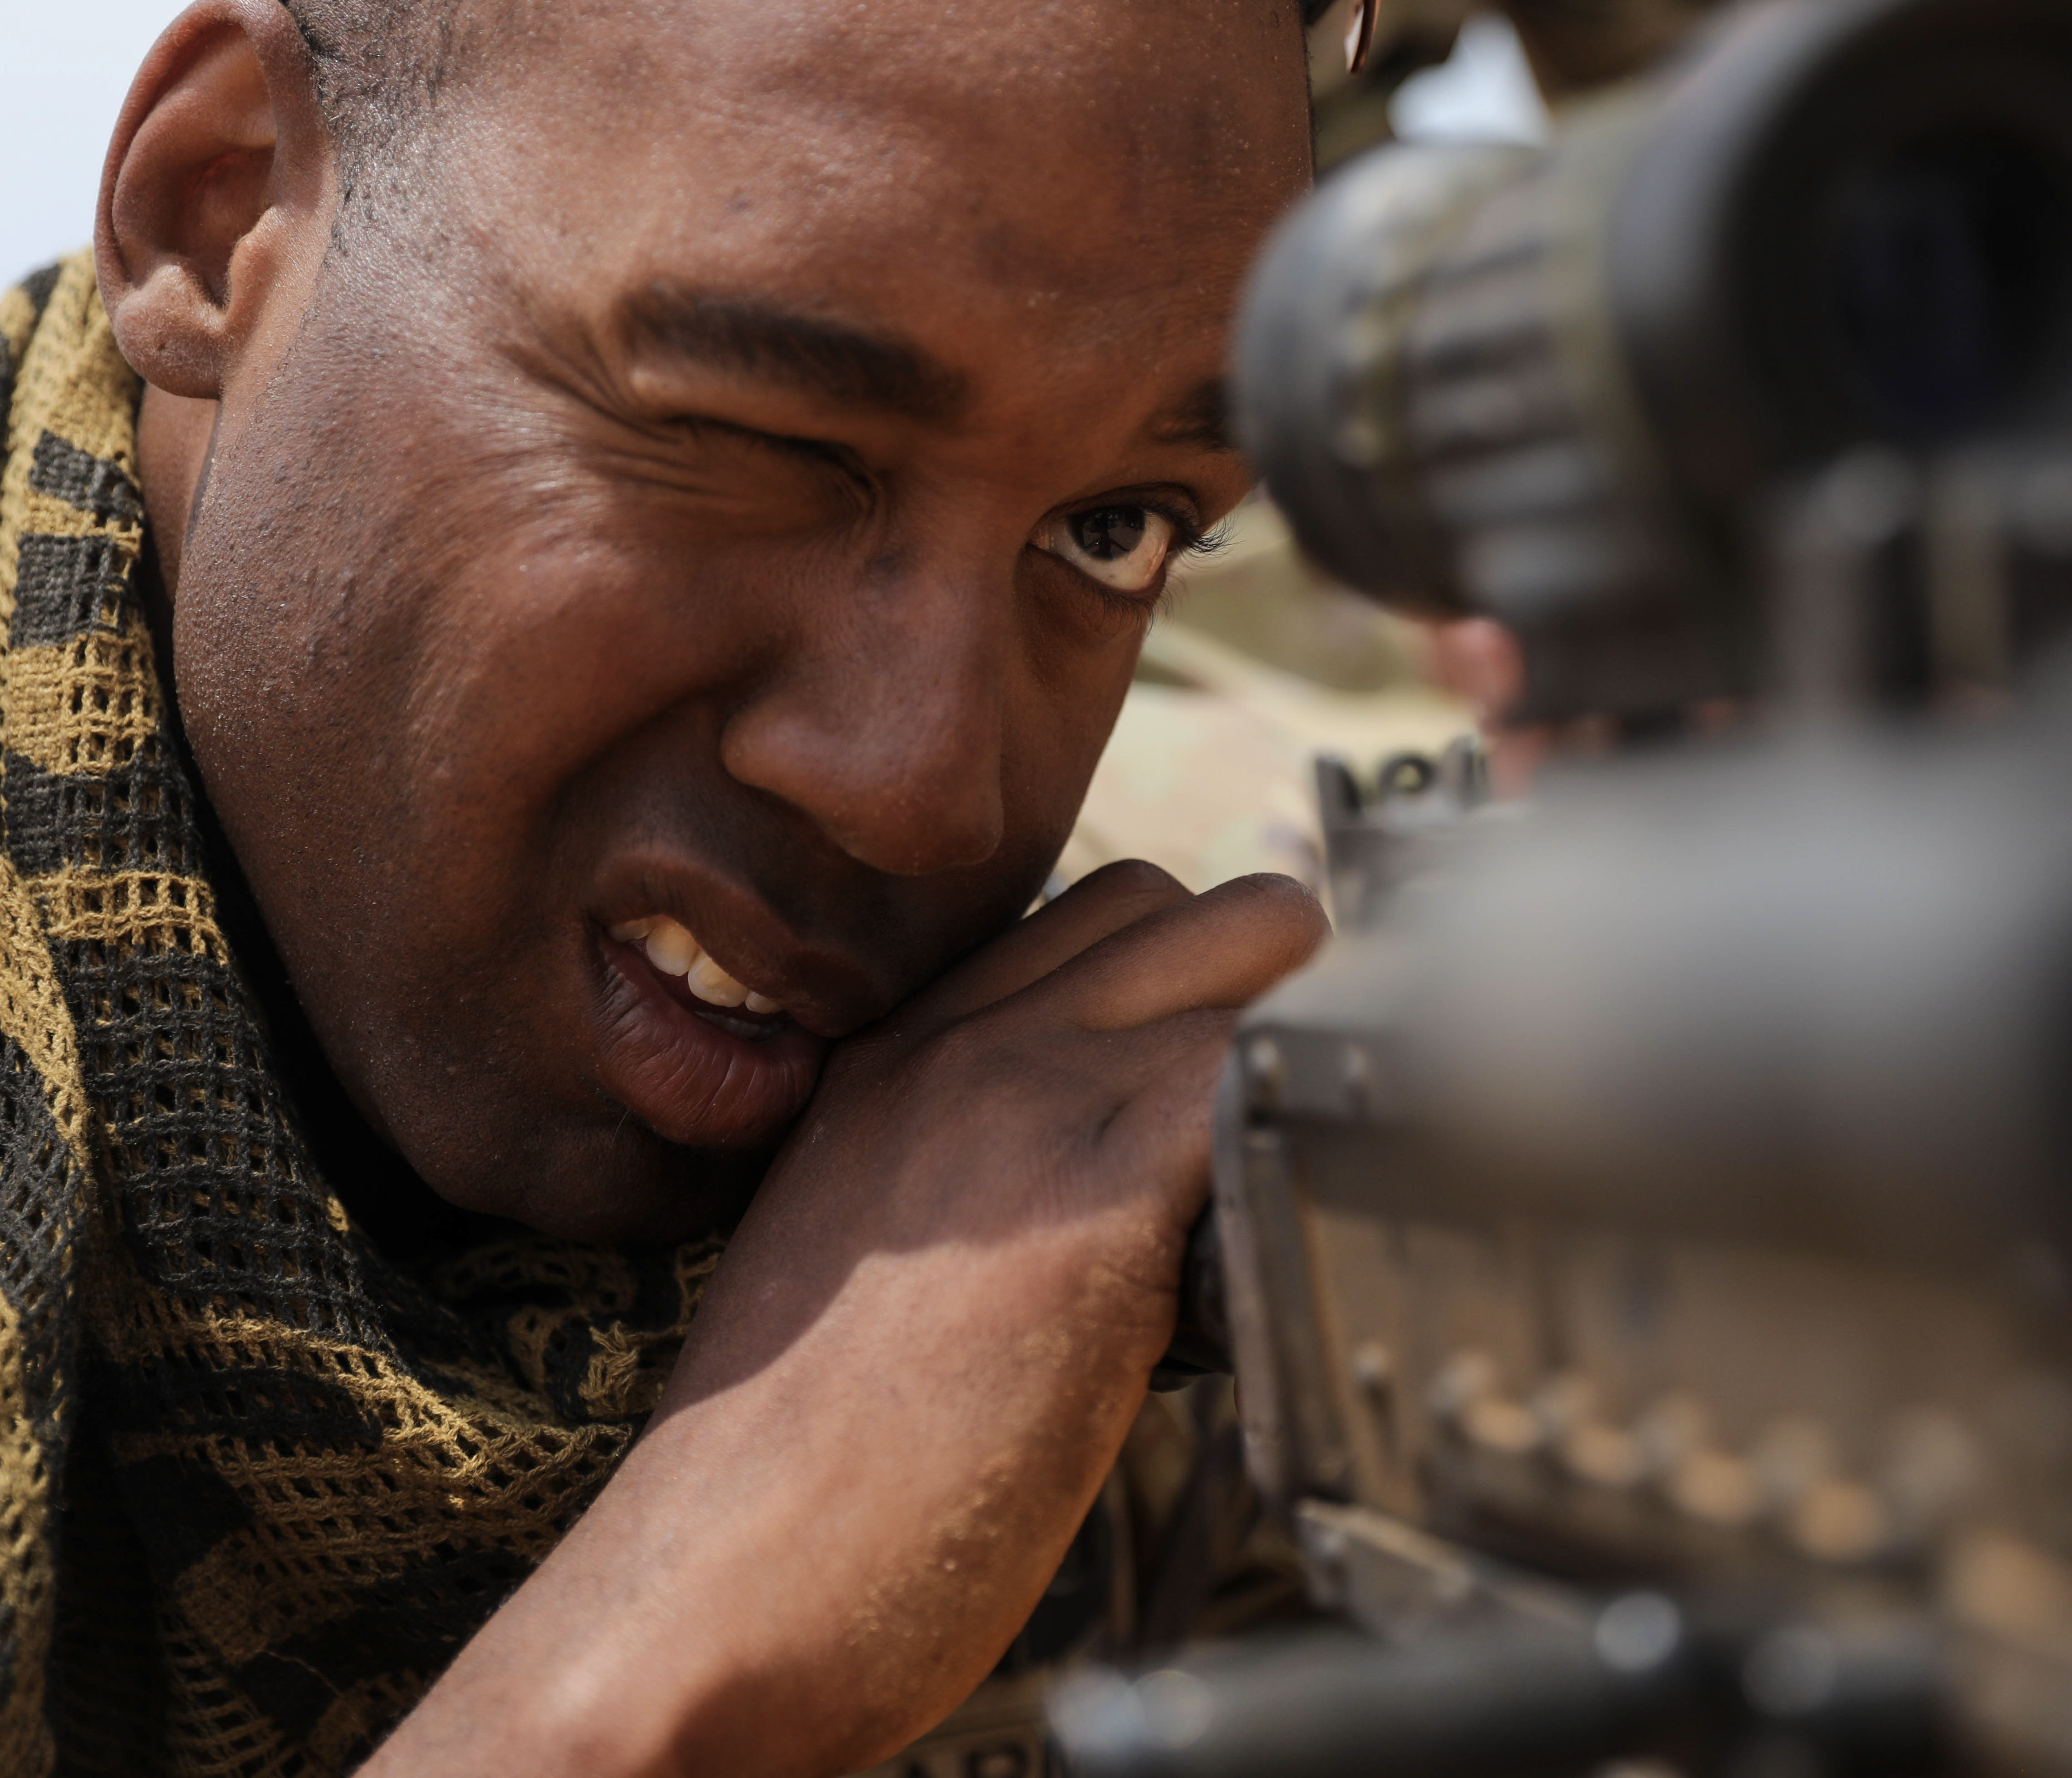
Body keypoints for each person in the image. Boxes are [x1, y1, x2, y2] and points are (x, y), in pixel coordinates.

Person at [0, 0, 1335, 1772]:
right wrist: (675, 1659)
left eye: (1118, 529)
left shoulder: (1075, 1234)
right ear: (219, 206)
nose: (924, 792)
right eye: (766, 434)